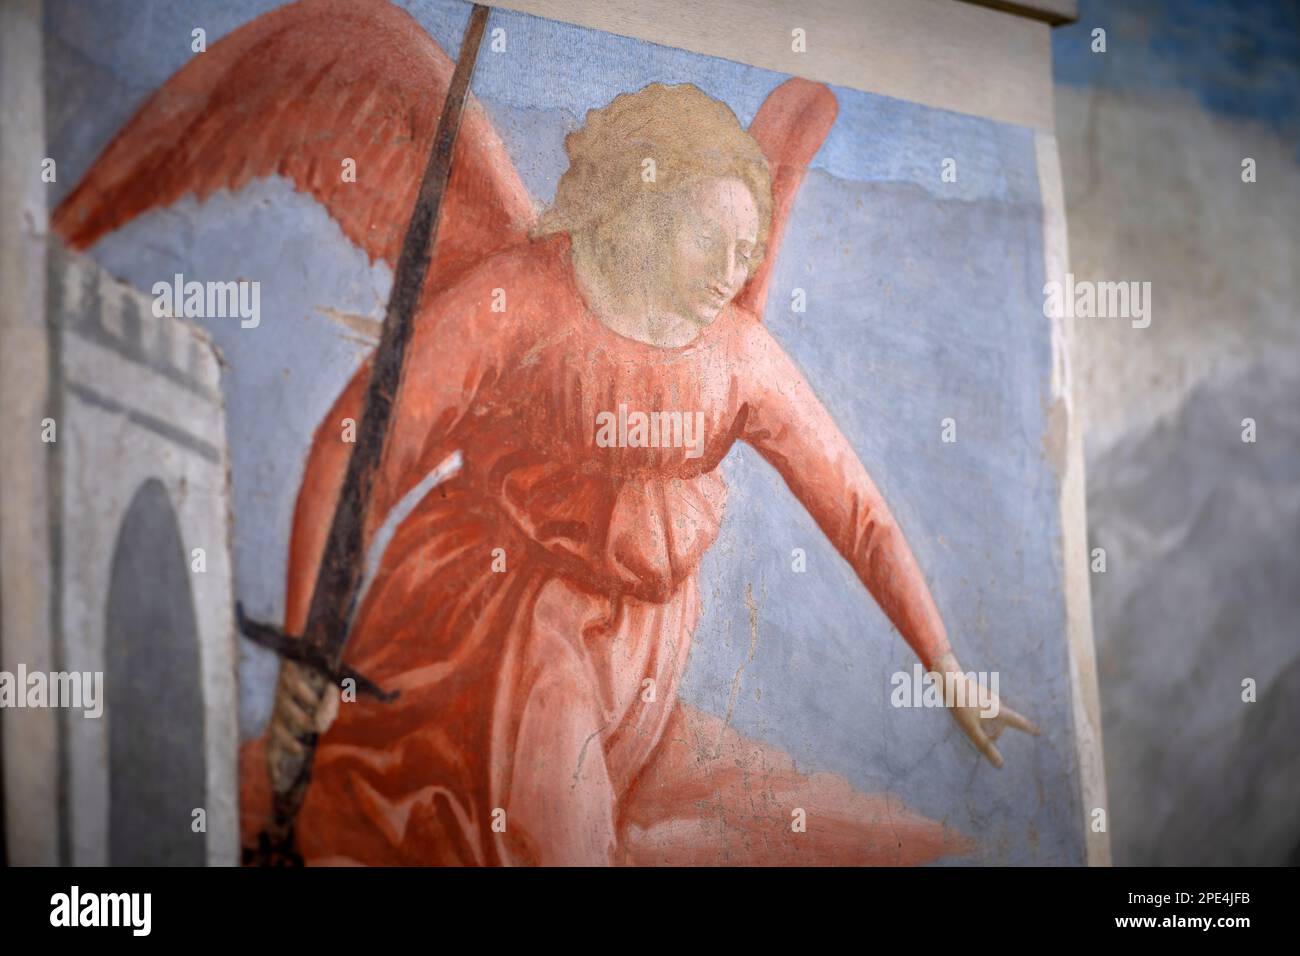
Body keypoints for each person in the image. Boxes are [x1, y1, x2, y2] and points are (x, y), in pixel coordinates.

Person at [241, 83, 1036, 866]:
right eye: (707, 241)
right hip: (508, 613)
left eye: (746, 252)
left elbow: (859, 514)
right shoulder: (521, 302)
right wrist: (308, 649)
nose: (729, 274)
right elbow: (356, 450)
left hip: (640, 653)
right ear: (642, 208)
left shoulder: (735, 356)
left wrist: (947, 668)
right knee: (555, 841)